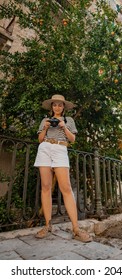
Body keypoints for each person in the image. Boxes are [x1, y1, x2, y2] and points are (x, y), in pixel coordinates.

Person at [34, 94, 92, 242]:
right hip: (45, 148)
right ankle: (47, 225)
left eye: (60, 105)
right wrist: (45, 128)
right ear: (52, 106)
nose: (57, 107)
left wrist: (63, 126)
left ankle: (76, 228)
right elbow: (40, 139)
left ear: (64, 107)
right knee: (45, 187)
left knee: (65, 188)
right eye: (55, 105)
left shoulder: (69, 120)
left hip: (60, 149)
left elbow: (72, 139)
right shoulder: (45, 120)